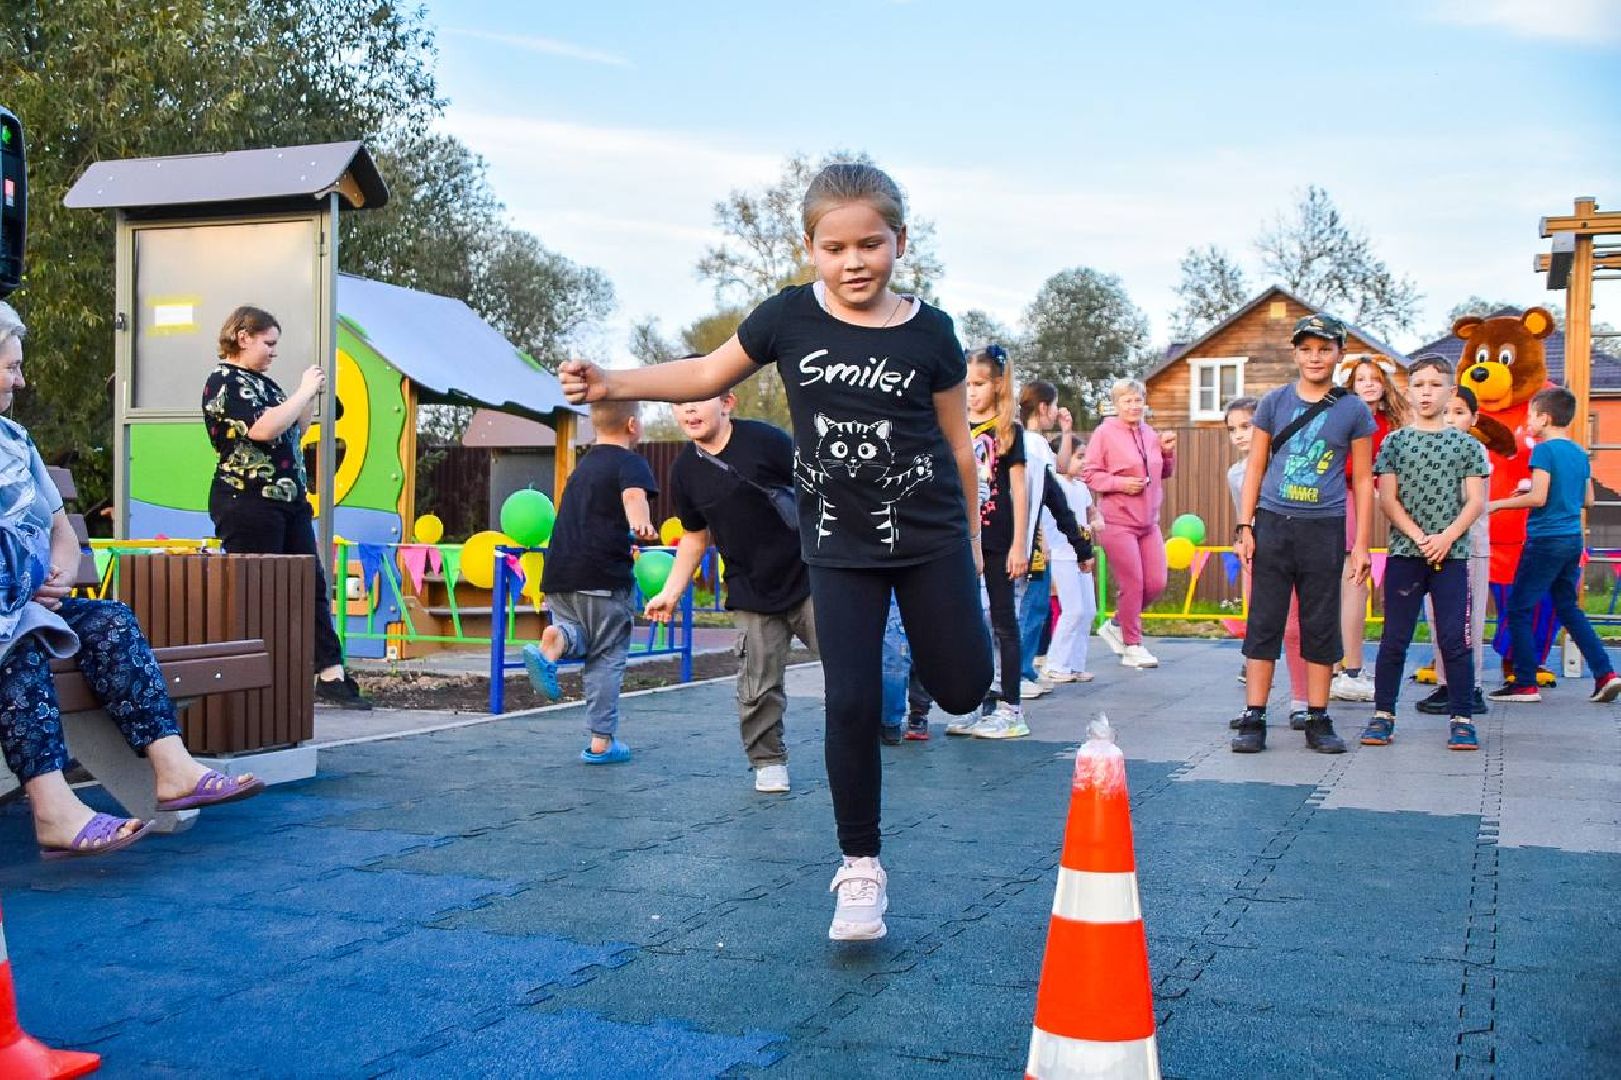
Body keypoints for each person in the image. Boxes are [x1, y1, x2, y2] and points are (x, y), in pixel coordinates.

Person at [557, 161, 994, 941]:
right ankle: (859, 866)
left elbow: (959, 447)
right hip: (838, 545)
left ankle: (953, 647)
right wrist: (608, 380)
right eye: (834, 247)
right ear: (809, 248)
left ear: (901, 240)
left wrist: (968, 544)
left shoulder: (933, 333)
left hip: (929, 537)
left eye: (871, 243)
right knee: (852, 701)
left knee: (963, 689)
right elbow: (701, 371)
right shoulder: (787, 318)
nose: (853, 261)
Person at [2, 300, 263, 858]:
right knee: (17, 647)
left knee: (110, 619)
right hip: (9, 623)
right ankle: (53, 810)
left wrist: (63, 570)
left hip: (29, 605)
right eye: (10, 367)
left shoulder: (15, 440)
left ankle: (173, 770)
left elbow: (61, 534)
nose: (20, 380)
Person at [645, 388, 816, 792]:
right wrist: (671, 591)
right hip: (750, 588)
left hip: (808, 578)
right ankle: (768, 759)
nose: (688, 406)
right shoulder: (684, 471)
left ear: (727, 402)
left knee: (852, 665)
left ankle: (872, 729)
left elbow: (817, 493)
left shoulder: (767, 441)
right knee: (757, 683)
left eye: (699, 397)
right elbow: (693, 537)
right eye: (680, 401)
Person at [202, 305, 368, 709]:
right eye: (268, 343)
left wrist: (307, 398)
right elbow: (262, 429)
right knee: (259, 589)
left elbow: (296, 430)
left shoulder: (267, 385)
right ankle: (252, 675)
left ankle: (330, 672)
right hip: (248, 499)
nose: (274, 351)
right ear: (243, 337)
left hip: (289, 501)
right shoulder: (225, 381)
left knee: (308, 583)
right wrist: (301, 392)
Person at [1231, 314, 1376, 754]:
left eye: (1324, 349)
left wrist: (1362, 543)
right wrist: (1245, 525)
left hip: (1324, 527)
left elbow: (1365, 479)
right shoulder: (1274, 403)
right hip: (1273, 523)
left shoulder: (1353, 408)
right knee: (1264, 622)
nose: (1315, 357)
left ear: (1338, 354)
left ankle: (1318, 716)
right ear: (1295, 353)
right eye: (1307, 349)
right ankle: (1254, 717)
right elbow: (1255, 466)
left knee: (1319, 624)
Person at [1358, 357, 1488, 750]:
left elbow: (1475, 501)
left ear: (1450, 391)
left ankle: (1462, 717)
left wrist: (1446, 538)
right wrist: (1419, 538)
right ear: (1409, 391)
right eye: (1419, 384)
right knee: (1394, 638)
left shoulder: (1467, 446)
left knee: (1455, 639)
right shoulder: (1395, 442)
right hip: (1405, 554)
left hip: (1452, 555)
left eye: (1435, 385)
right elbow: (1388, 499)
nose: (1426, 392)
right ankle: (1383, 715)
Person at [522, 400, 660, 762]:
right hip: (603, 577)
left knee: (580, 634)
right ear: (633, 425)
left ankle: (557, 639)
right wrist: (639, 523)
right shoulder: (630, 462)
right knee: (606, 657)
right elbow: (633, 496)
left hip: (559, 575)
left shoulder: (582, 468)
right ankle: (602, 741)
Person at [1487, 387, 1621, 704]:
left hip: (1545, 540)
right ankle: (1605, 673)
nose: (1528, 421)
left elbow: (1540, 497)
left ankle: (1524, 683)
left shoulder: (1544, 451)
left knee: (1518, 609)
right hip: (1572, 539)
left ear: (1544, 418)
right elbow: (1587, 499)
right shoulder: (1578, 452)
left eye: (1531, 415)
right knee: (1568, 609)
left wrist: (1499, 504)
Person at [954, 346, 1029, 739]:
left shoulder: (1009, 431)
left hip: (999, 539)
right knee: (969, 624)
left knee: (1003, 621)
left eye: (979, 384)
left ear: (998, 384)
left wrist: (1021, 544)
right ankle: (979, 703)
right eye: (966, 384)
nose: (971, 392)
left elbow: (1020, 491)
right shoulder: (955, 427)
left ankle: (1011, 707)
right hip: (965, 539)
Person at [1224, 396, 1311, 731]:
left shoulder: (1285, 463)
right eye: (1233, 430)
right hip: (1257, 555)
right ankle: (1254, 707)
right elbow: (1242, 514)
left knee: (1293, 628)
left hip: (1289, 551)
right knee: (1260, 629)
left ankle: (1301, 702)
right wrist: (1242, 539)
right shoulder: (1236, 473)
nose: (1240, 435)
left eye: (1247, 426)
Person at [1081, 378, 1176, 669]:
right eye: (1127, 401)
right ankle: (1132, 644)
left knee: (1156, 583)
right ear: (1117, 404)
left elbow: (1164, 472)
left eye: (1138, 400)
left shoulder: (1150, 433)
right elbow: (1090, 474)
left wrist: (1168, 452)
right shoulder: (1104, 433)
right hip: (1117, 519)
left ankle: (1116, 624)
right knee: (1133, 583)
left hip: (1149, 521)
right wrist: (1121, 483)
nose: (1134, 406)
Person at [1329, 356, 1407, 703]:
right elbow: (1346, 465)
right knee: (1352, 581)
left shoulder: (1389, 423)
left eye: (1374, 378)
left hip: (1368, 501)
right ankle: (1349, 670)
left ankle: (1340, 667)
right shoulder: (1349, 419)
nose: (1369, 384)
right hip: (1346, 500)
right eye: (1361, 379)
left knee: (1349, 583)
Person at [1415, 386, 1493, 717]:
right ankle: (1447, 682)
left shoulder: (1474, 452)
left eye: (1459, 412)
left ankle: (1470, 686)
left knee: (1466, 620)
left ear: (1473, 418)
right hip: (1434, 548)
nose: (1450, 418)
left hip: (1466, 547)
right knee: (1437, 618)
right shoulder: (1425, 448)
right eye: (1446, 411)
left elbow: (1466, 501)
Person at [1015, 381, 1079, 696]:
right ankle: (1016, 673)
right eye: (1053, 406)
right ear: (1043, 408)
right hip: (1026, 535)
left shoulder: (1038, 444)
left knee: (1038, 603)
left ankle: (1025, 668)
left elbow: (1057, 476)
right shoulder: (1031, 444)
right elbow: (1041, 494)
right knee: (1028, 604)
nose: (1055, 412)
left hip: (1035, 534)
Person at [1042, 450, 1100, 684]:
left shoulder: (1081, 487)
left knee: (1088, 611)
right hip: (1061, 555)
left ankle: (1075, 664)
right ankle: (1055, 664)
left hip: (1080, 554)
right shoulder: (1055, 486)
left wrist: (1097, 519)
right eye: (1078, 456)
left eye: (1085, 456)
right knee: (1073, 610)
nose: (1083, 461)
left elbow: (1090, 510)